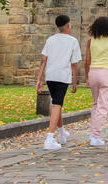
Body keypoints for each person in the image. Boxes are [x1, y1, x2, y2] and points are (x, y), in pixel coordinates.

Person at [35, 14, 82, 150]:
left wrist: (39, 79)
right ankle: (49, 138)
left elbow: (43, 59)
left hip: (50, 75)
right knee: (57, 105)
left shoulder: (50, 40)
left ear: (56, 26)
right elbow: (74, 63)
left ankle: (62, 133)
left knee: (57, 102)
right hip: (62, 76)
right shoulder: (73, 41)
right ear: (68, 25)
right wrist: (75, 81)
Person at [83, 15, 108, 146]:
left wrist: (87, 77)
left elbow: (87, 61)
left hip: (93, 72)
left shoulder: (91, 41)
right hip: (106, 73)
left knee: (96, 104)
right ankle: (95, 136)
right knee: (103, 107)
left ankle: (93, 133)